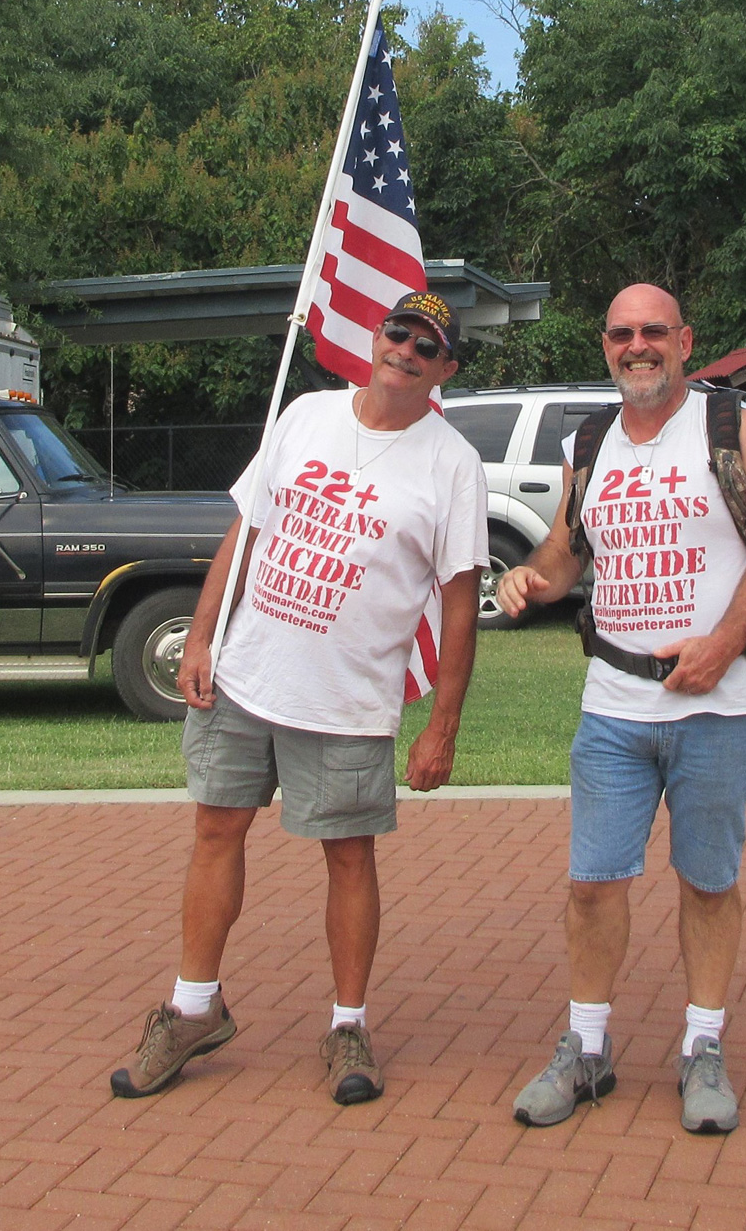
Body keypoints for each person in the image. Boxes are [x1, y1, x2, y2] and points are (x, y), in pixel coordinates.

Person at [110, 291, 488, 1105]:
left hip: (347, 700)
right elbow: (245, 533)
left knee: (348, 854)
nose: (407, 350)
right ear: (375, 337)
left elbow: (460, 605)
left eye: (427, 346)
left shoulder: (453, 464)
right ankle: (193, 1009)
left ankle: (349, 1026)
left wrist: (442, 728)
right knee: (215, 831)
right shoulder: (307, 416)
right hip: (246, 677)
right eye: (399, 332)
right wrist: (202, 637)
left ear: (445, 369)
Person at [498, 283, 746, 1133]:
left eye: (654, 332)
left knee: (707, 883)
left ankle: (703, 1047)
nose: (638, 346)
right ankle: (587, 1048)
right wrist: (530, 577)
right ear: (605, 345)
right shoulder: (588, 442)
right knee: (593, 884)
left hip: (722, 705)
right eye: (622, 333)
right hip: (614, 706)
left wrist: (721, 645)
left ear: (684, 341)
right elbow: (566, 550)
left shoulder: (733, 427)